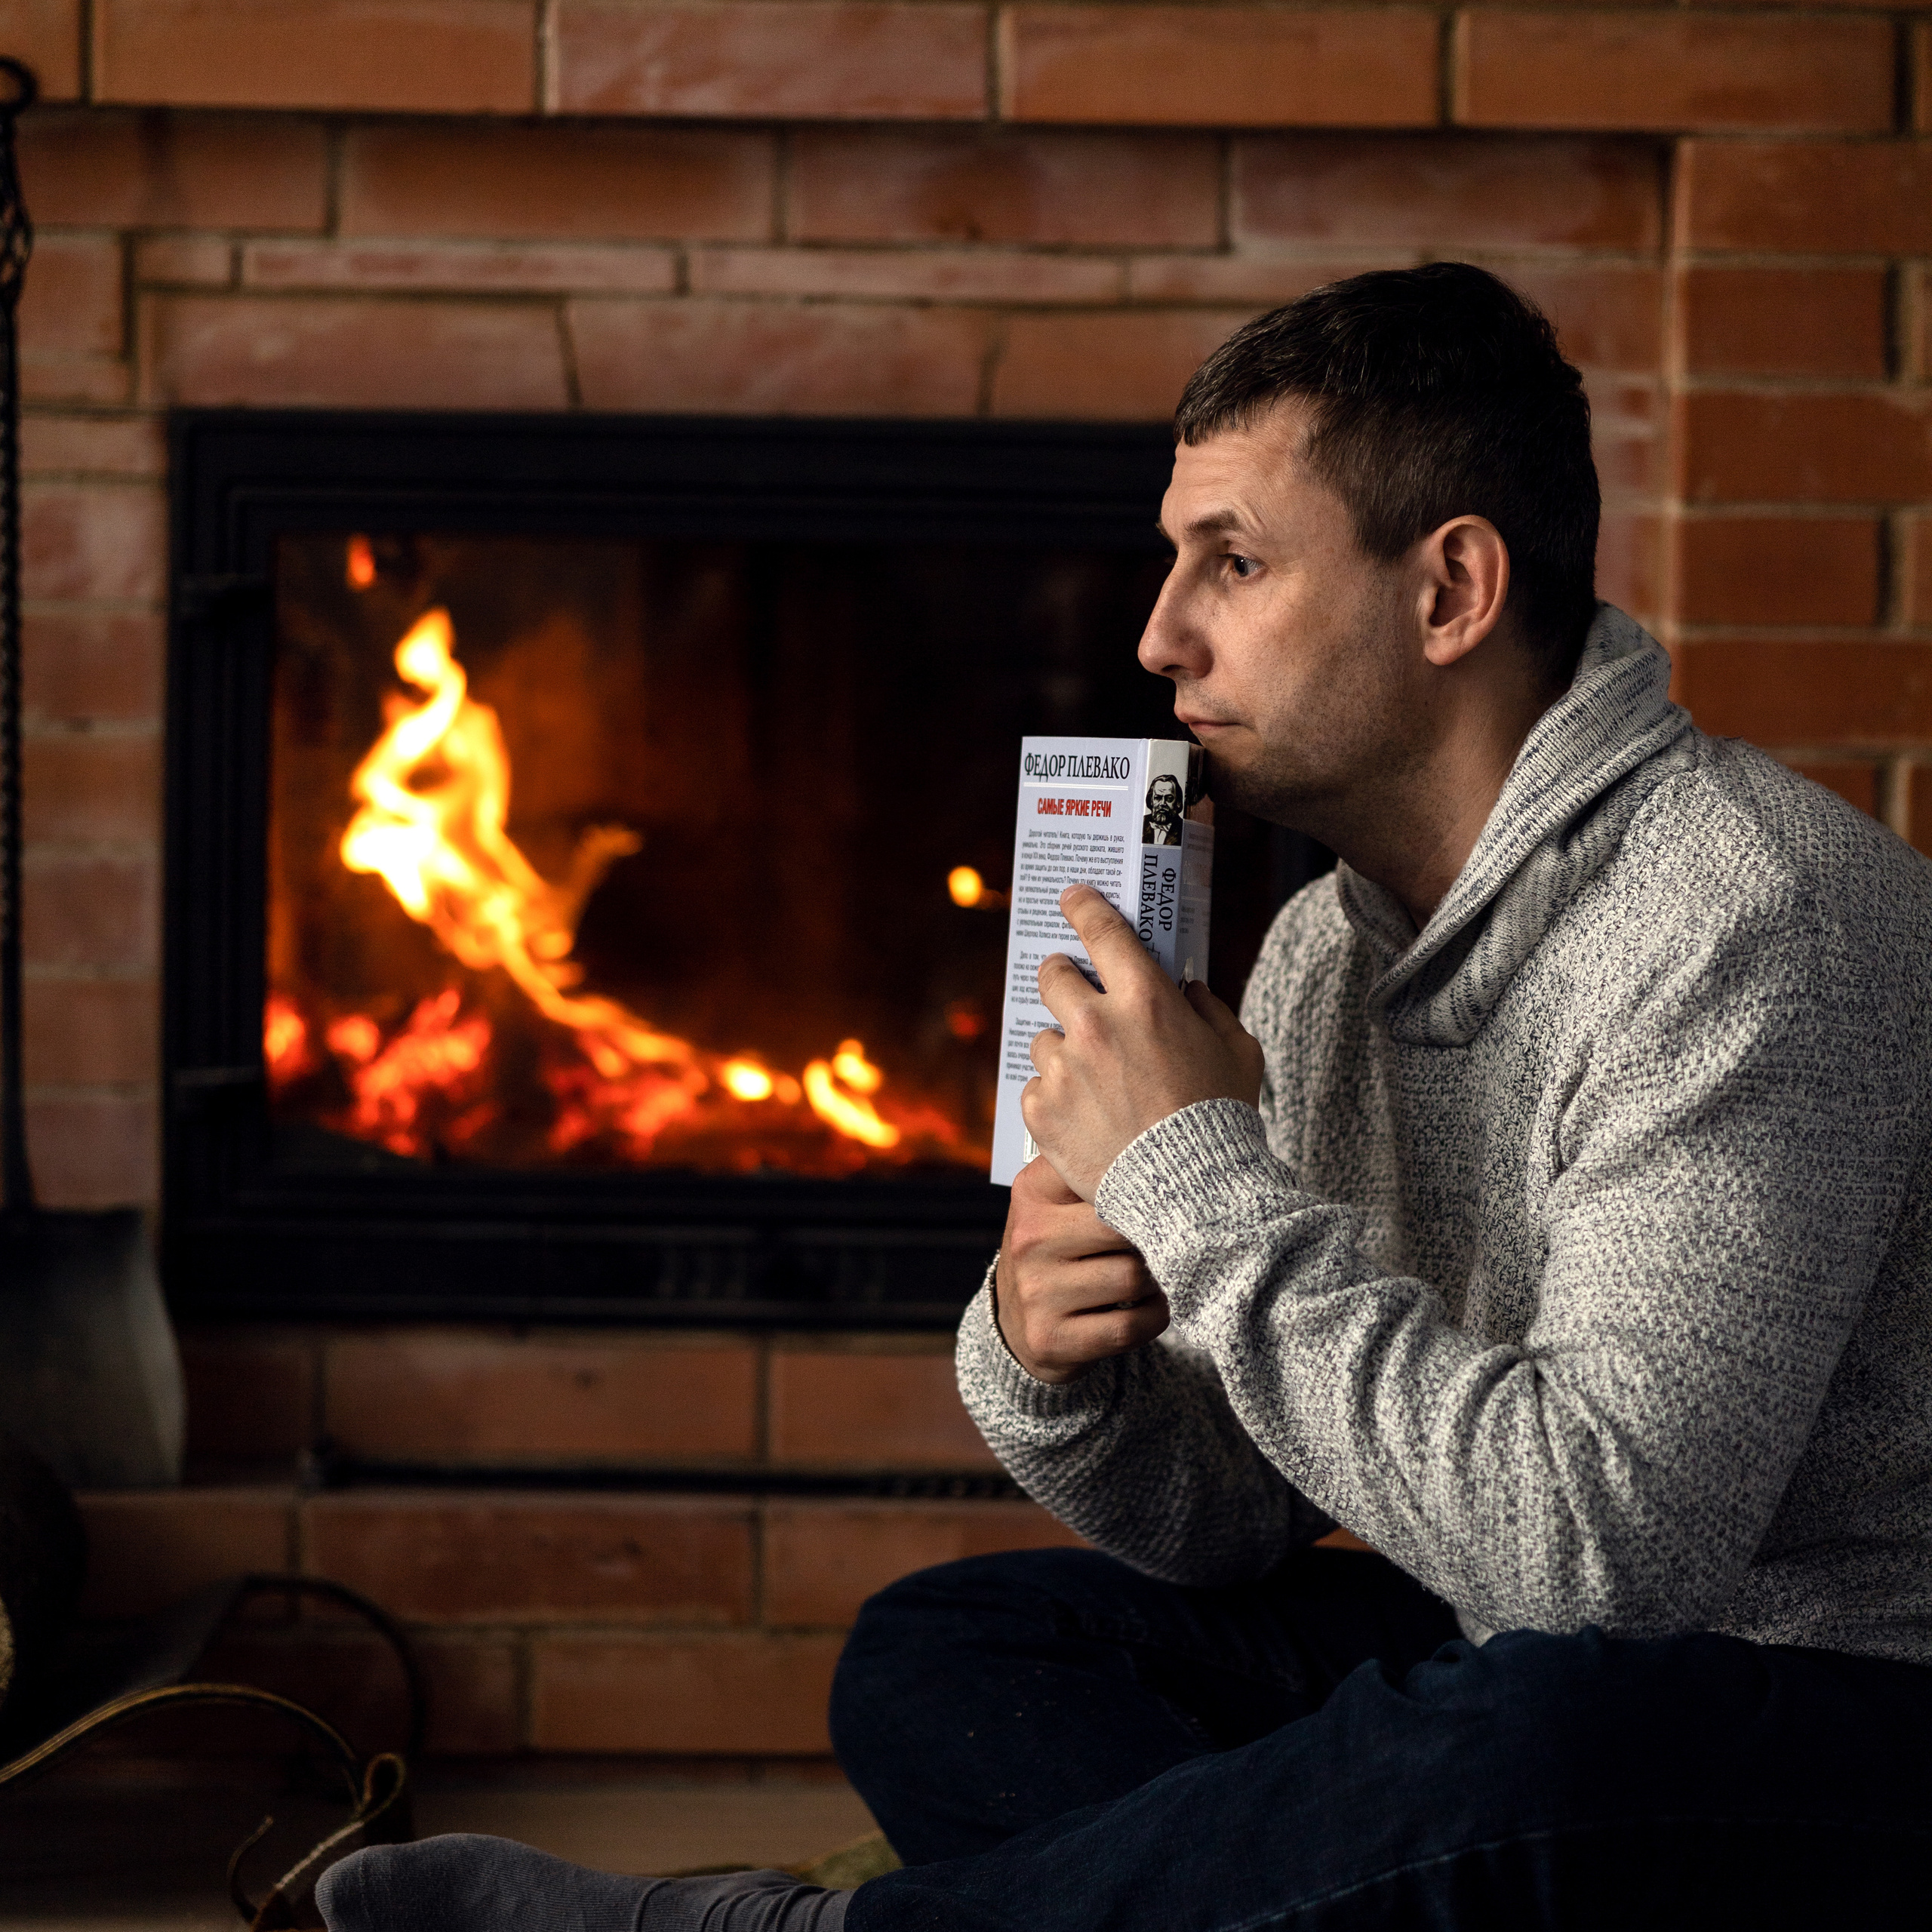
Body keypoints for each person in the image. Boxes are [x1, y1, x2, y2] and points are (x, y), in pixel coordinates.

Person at [315, 265, 1932, 1932]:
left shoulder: (1750, 921)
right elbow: (1243, 1515)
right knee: (952, 1654)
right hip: (1514, 1647)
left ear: (1449, 589)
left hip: (1829, 1707)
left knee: (1532, 1735)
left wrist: (1200, 1179)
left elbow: (1600, 1568)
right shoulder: (1323, 952)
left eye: (1233, 562)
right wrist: (1060, 1359)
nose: (1158, 633)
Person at [1140, 771, 1184, 844]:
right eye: (1158, 798)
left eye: (1169, 798)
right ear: (1151, 801)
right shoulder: (1141, 823)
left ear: (1178, 803)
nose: (1163, 803)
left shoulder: (1184, 828)